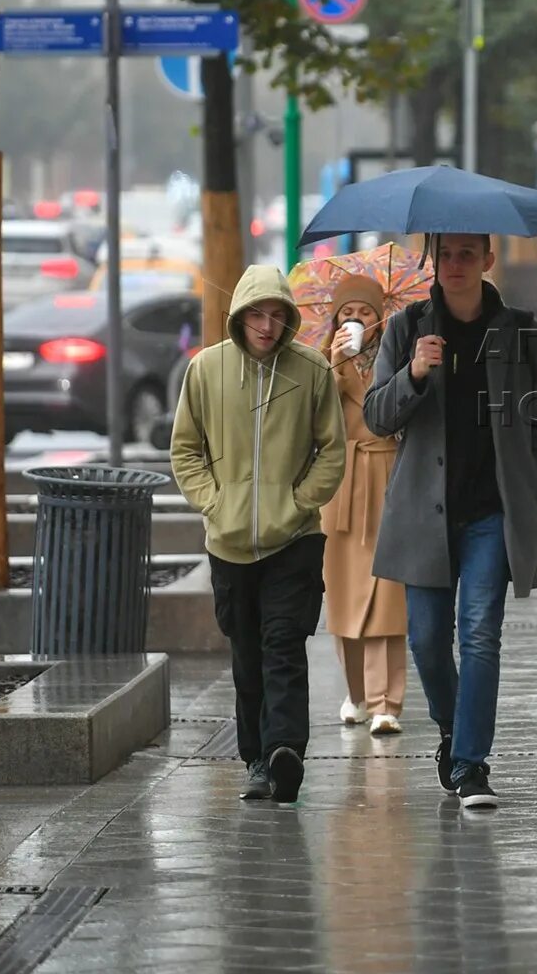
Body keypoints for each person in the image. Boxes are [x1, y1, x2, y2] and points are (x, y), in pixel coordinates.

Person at [363, 233, 537, 811]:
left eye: (466, 255)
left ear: (487, 260)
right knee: (428, 641)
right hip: (423, 516)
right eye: (445, 255)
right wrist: (415, 375)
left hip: (491, 515)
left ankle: (472, 764)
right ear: (434, 261)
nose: (454, 266)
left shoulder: (522, 332)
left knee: (479, 635)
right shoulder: (407, 329)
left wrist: (535, 487)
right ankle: (454, 731)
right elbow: (377, 417)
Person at [170, 265, 346, 804]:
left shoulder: (312, 371)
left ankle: (284, 750)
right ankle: (255, 759)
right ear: (239, 316)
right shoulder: (207, 370)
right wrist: (215, 503)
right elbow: (185, 449)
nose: (267, 326)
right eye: (257, 315)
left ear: (289, 319)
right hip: (228, 545)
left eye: (276, 315)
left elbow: (331, 451)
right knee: (247, 656)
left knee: (284, 645)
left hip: (294, 540)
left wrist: (297, 503)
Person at [321, 276, 407, 736]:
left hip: (389, 477)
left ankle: (386, 702)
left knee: (388, 597)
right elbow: (316, 420)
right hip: (343, 486)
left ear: (381, 318)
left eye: (365, 313)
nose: (355, 320)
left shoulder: (398, 358)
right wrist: (336, 367)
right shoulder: (320, 362)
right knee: (344, 596)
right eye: (347, 313)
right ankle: (355, 694)